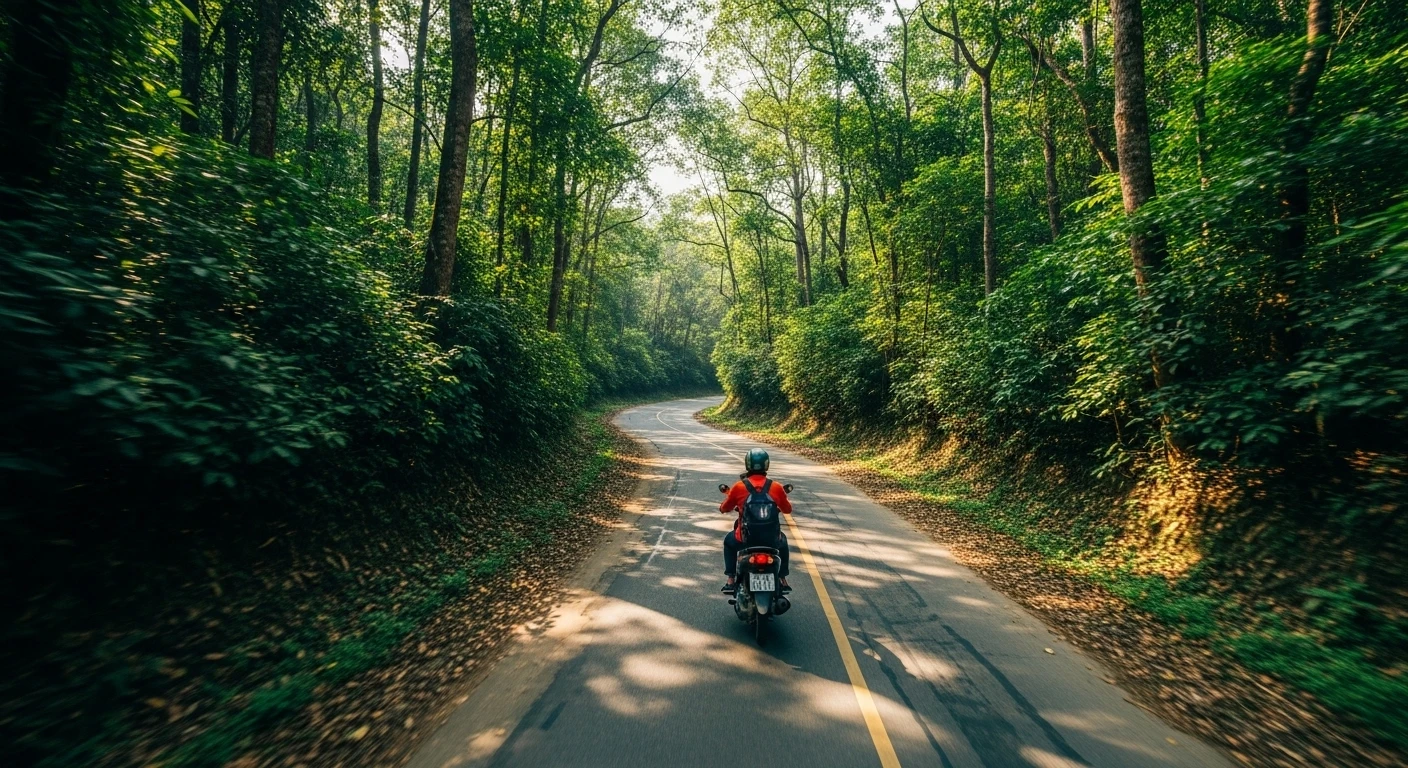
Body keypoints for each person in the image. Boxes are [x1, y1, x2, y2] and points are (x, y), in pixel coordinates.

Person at [719, 448, 792, 594]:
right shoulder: (776, 487)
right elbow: (788, 509)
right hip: (771, 540)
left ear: (748, 464)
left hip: (745, 540)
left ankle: (731, 579)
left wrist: (724, 507)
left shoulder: (739, 487)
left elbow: (725, 508)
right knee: (783, 543)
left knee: (728, 542)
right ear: (766, 465)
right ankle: (783, 579)